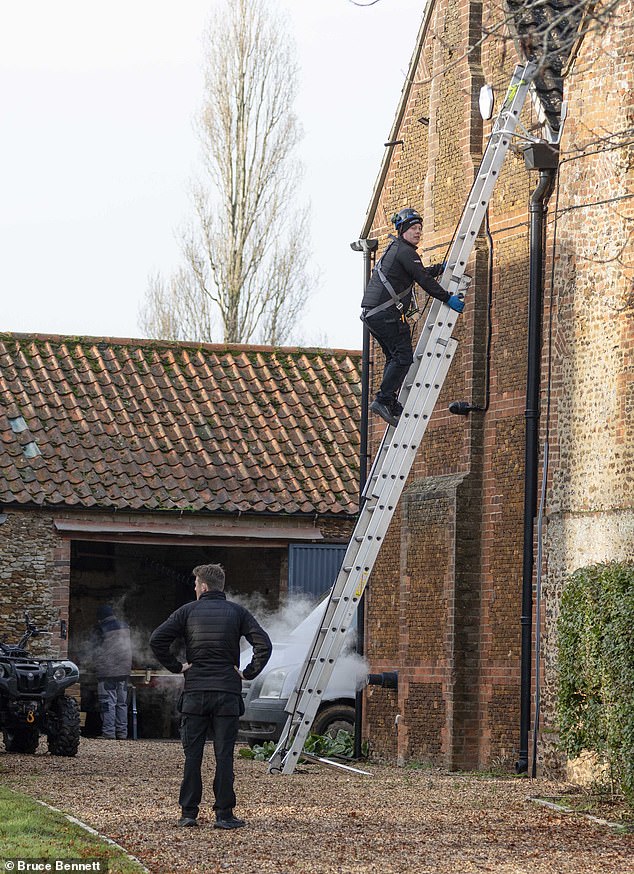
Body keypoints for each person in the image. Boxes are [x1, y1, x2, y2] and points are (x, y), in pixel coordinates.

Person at [150, 563, 272, 831]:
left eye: (195, 584)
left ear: (203, 586)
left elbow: (157, 640)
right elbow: (264, 645)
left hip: (195, 693)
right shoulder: (237, 612)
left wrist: (177, 666)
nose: (194, 588)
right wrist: (247, 673)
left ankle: (188, 813)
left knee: (192, 756)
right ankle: (224, 815)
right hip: (227, 693)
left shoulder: (187, 611)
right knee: (224, 755)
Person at [361, 207, 466, 427]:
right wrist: (447, 298)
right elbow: (423, 280)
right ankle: (383, 399)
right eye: (413, 228)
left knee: (394, 357)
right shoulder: (405, 251)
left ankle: (388, 400)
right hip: (386, 315)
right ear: (402, 230)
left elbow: (419, 271)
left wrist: (439, 268)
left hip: (374, 315)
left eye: (419, 228)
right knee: (404, 357)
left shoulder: (398, 250)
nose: (418, 232)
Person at [93, 605, 132, 740]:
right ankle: (122, 733)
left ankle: (109, 733)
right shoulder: (125, 626)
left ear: (100, 618)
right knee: (122, 703)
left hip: (108, 672)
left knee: (107, 702)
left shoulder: (101, 628)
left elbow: (94, 648)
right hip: (125, 671)